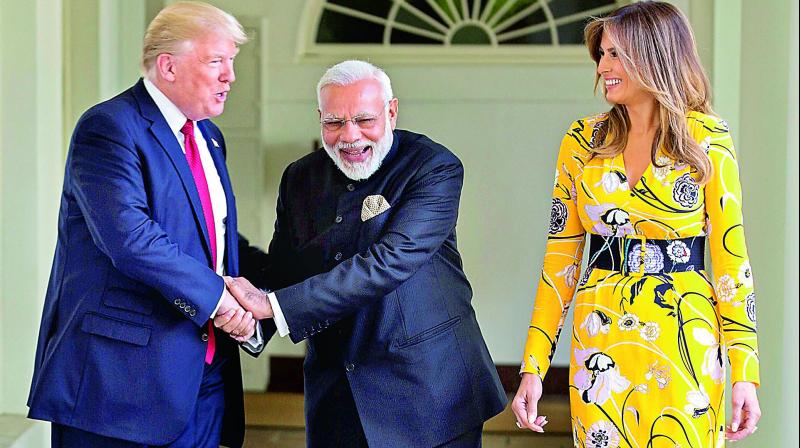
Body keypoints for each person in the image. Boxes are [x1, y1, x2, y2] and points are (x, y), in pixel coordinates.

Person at [220, 60, 507, 447]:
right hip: (336, 396)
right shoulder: (299, 177)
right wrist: (250, 319)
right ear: (320, 118)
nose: (349, 137)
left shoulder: (433, 167)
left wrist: (273, 307)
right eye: (334, 123)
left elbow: (389, 261)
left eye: (364, 119)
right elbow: (286, 268)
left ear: (391, 111)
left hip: (428, 390)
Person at [511, 2, 761, 447]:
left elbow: (731, 262)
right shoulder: (581, 141)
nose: (603, 67)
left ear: (656, 57)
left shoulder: (707, 138)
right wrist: (533, 366)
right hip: (599, 337)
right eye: (602, 55)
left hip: (684, 336)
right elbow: (559, 262)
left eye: (616, 55)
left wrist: (745, 373)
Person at [27, 2, 265, 447]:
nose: (230, 76)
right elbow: (131, 239)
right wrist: (222, 301)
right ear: (168, 66)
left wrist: (286, 291)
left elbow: (213, 241)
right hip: (120, 389)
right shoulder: (109, 127)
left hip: (206, 381)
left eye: (231, 62)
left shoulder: (209, 137)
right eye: (216, 61)